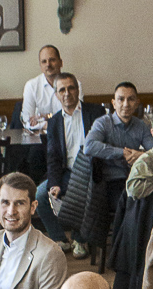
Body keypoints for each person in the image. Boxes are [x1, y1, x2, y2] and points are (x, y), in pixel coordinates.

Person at [38, 72, 105, 253]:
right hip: (67, 172)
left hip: (91, 171)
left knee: (82, 191)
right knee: (40, 195)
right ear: (56, 95)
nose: (67, 93)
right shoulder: (54, 122)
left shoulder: (96, 112)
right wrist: (54, 183)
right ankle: (60, 238)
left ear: (77, 90)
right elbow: (53, 157)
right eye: (62, 90)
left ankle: (80, 239)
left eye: (71, 88)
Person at [84, 82, 153, 221]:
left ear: (137, 103)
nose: (126, 104)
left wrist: (142, 155)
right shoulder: (103, 122)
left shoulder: (141, 125)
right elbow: (89, 146)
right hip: (108, 182)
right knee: (132, 205)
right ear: (114, 103)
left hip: (135, 178)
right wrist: (122, 152)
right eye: (121, 99)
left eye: (131, 99)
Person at [22, 43, 63, 127]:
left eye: (52, 60)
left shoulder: (73, 85)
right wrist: (53, 120)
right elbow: (27, 121)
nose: (48, 64)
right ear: (40, 66)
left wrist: (46, 117)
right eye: (44, 61)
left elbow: (74, 117)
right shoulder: (31, 86)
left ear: (60, 63)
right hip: (39, 134)